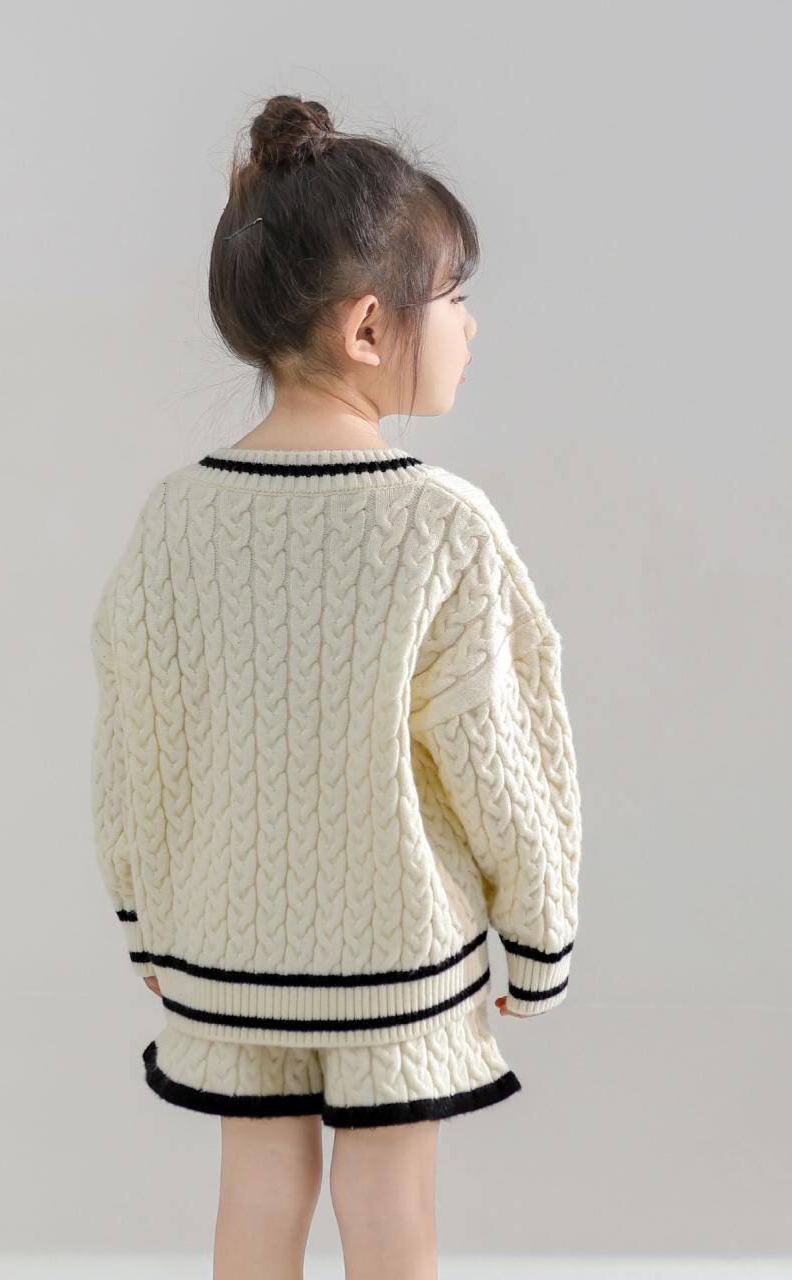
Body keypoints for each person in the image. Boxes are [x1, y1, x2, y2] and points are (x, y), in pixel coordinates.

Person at [89, 93, 583, 1280]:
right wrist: (538, 930)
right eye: (452, 297)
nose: (469, 325)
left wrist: (145, 915)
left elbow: (139, 739)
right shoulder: (439, 525)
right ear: (369, 325)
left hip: (224, 940)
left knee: (256, 1195)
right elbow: (499, 750)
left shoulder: (174, 519)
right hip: (396, 953)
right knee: (388, 1203)